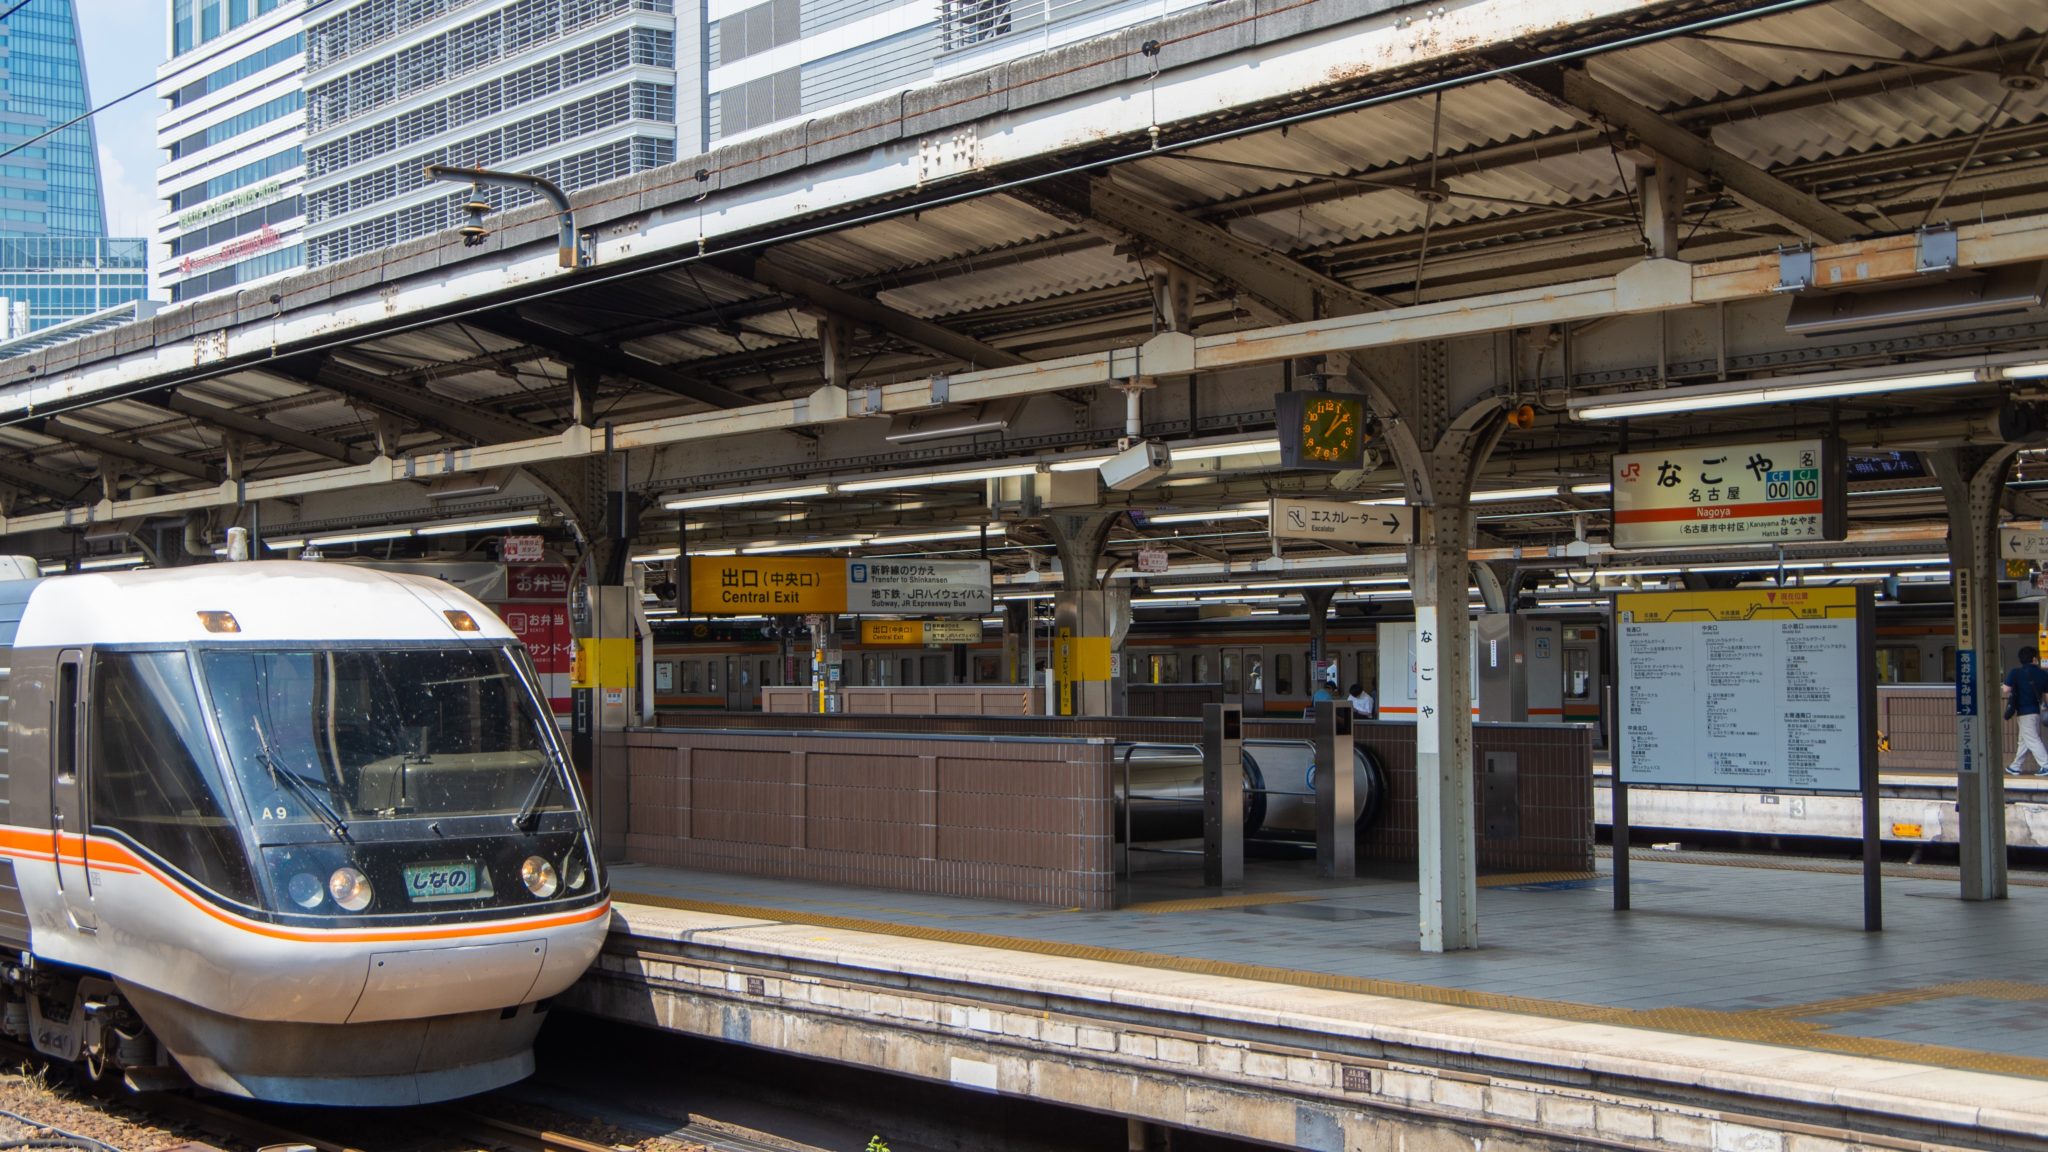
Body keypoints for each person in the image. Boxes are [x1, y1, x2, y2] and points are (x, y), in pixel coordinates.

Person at [2005, 646, 2048, 776]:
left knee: (2032, 739)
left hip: (2023, 712)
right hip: (2036, 711)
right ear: (2034, 659)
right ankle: (2015, 766)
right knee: (2023, 740)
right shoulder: (2043, 674)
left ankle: (2046, 765)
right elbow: (2046, 695)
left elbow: (2006, 690)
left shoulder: (2015, 672)